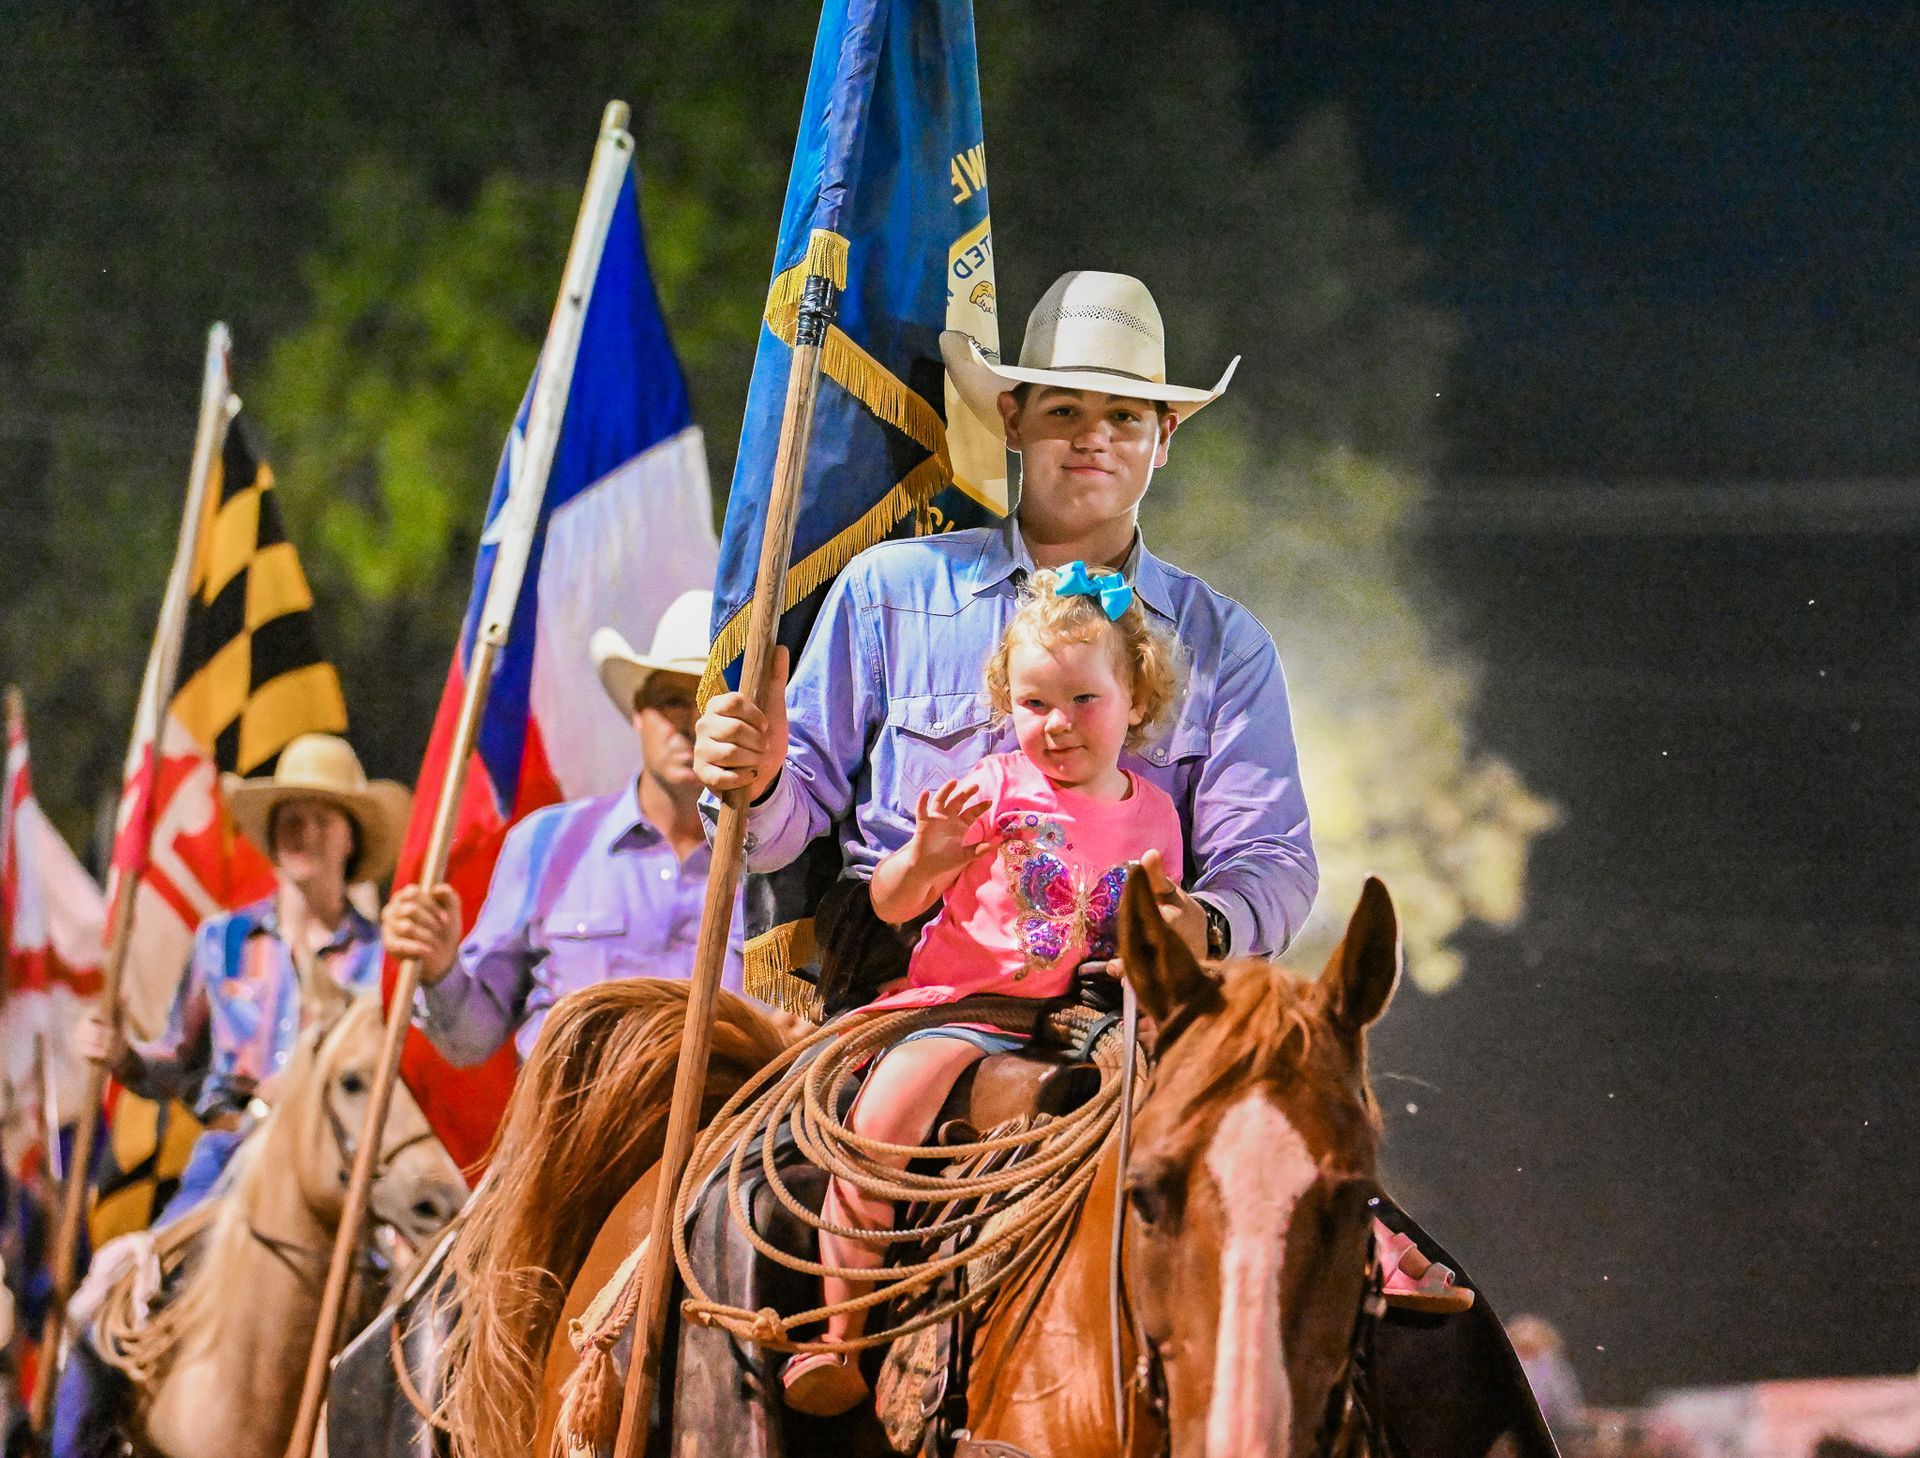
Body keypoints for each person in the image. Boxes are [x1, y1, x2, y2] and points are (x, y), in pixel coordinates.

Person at [695, 269, 1314, 1012]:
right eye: (1064, 409)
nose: (1093, 438)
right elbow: (772, 839)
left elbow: (1270, 856)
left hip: (1122, 995)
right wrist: (760, 781)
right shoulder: (889, 592)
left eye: (1124, 415)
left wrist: (1207, 924)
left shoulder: (1227, 647)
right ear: (1013, 420)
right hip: (904, 981)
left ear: (1163, 437)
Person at [782, 564, 1184, 1416]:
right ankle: (837, 1332)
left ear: (1136, 700)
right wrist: (926, 857)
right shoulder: (995, 787)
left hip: (1087, 1018)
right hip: (968, 1011)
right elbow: (894, 904)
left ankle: (1363, 1256)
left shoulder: (1157, 815)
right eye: (1035, 703)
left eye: (1083, 700)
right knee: (883, 1119)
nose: (1057, 724)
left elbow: (1151, 934)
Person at [384, 591, 752, 1066]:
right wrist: (439, 967)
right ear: (638, 713)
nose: (689, 724)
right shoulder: (546, 844)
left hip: (725, 1113)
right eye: (672, 701)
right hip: (567, 1111)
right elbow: (471, 1041)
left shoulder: (777, 858)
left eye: (710, 705)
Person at [77, 733, 409, 1214]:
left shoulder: (381, 959)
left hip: (337, 1172)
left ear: (350, 838)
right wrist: (124, 1056)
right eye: (290, 820)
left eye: (322, 819)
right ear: (271, 836)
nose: (304, 832)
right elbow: (178, 1062)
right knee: (152, 1260)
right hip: (228, 1163)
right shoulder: (220, 941)